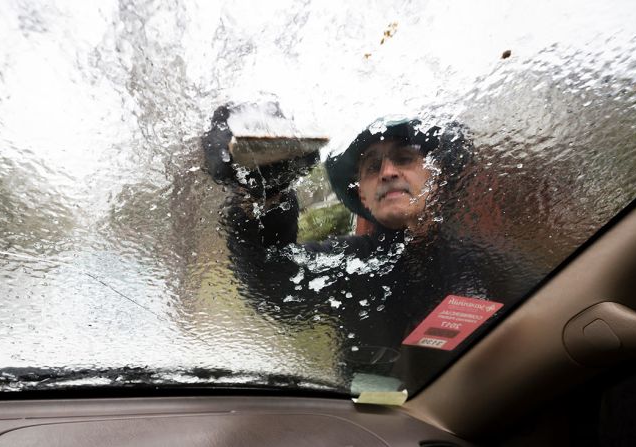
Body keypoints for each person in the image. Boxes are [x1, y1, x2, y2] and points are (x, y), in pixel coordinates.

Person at [203, 104, 537, 384]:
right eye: (373, 166)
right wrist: (262, 195)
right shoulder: (348, 262)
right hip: (368, 422)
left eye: (404, 159)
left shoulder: (489, 263)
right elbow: (274, 287)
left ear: (437, 178)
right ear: (361, 193)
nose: (388, 172)